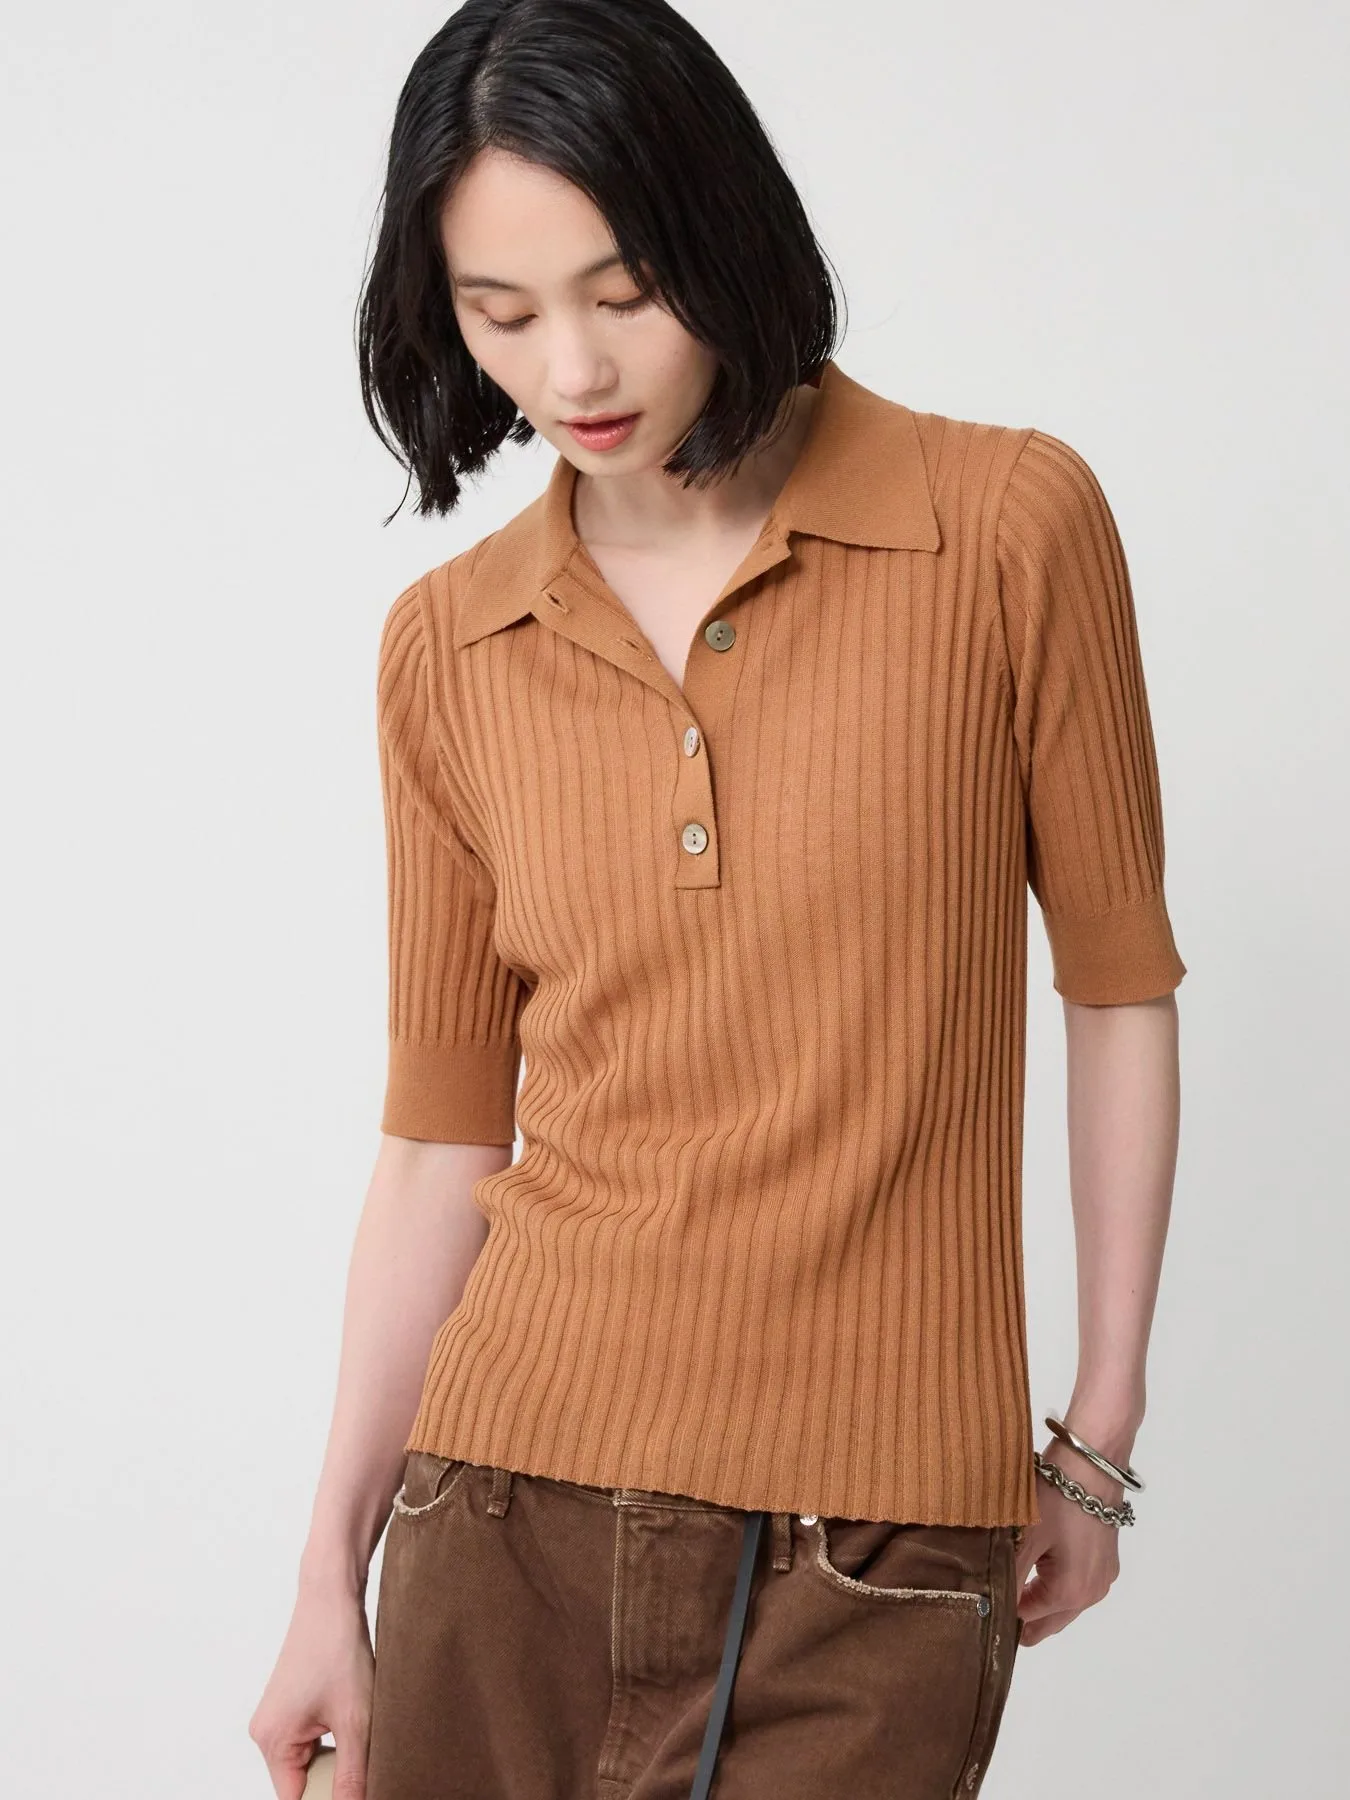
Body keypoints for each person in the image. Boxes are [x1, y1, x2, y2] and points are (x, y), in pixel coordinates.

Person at [248, 1, 1186, 1795]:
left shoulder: (1004, 528)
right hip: (501, 1516)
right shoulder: (451, 646)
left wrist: (1097, 1427)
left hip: (882, 1540)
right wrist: (324, 1576)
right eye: (500, 313)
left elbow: (1119, 987)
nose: (571, 369)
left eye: (624, 292)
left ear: (726, 233)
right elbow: (442, 1138)